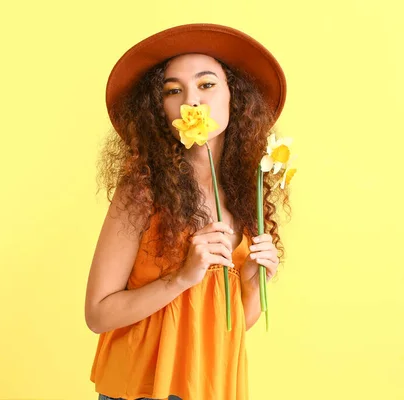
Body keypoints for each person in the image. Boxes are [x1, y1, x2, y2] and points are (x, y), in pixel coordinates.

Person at [85, 23, 290, 400]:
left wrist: (251, 284)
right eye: (173, 90)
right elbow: (97, 315)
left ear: (236, 97)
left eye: (207, 84)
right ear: (159, 110)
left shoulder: (248, 192)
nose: (191, 101)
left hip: (211, 386)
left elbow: (232, 325)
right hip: (141, 390)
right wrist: (182, 277)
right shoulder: (142, 191)